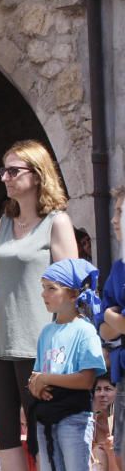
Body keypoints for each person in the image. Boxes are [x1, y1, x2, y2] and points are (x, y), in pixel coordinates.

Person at [0, 139, 77, 471]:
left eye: (13, 170)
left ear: (37, 175)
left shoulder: (57, 223)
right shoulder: (5, 222)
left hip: (41, 345)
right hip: (1, 343)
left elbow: (71, 289)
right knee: (6, 438)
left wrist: (60, 345)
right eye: (3, 170)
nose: (5, 177)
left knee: (44, 440)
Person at [27, 259, 106, 471]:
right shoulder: (47, 332)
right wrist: (39, 386)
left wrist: (47, 380)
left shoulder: (84, 331)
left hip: (73, 417)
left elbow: (87, 378)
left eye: (51, 289)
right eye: (43, 288)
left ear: (73, 294)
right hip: (48, 415)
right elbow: (36, 375)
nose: (44, 295)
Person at [100, 189, 125, 451]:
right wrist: (110, 317)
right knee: (120, 452)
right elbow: (106, 331)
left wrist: (111, 318)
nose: (113, 219)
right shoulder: (119, 268)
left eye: (120, 212)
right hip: (122, 374)